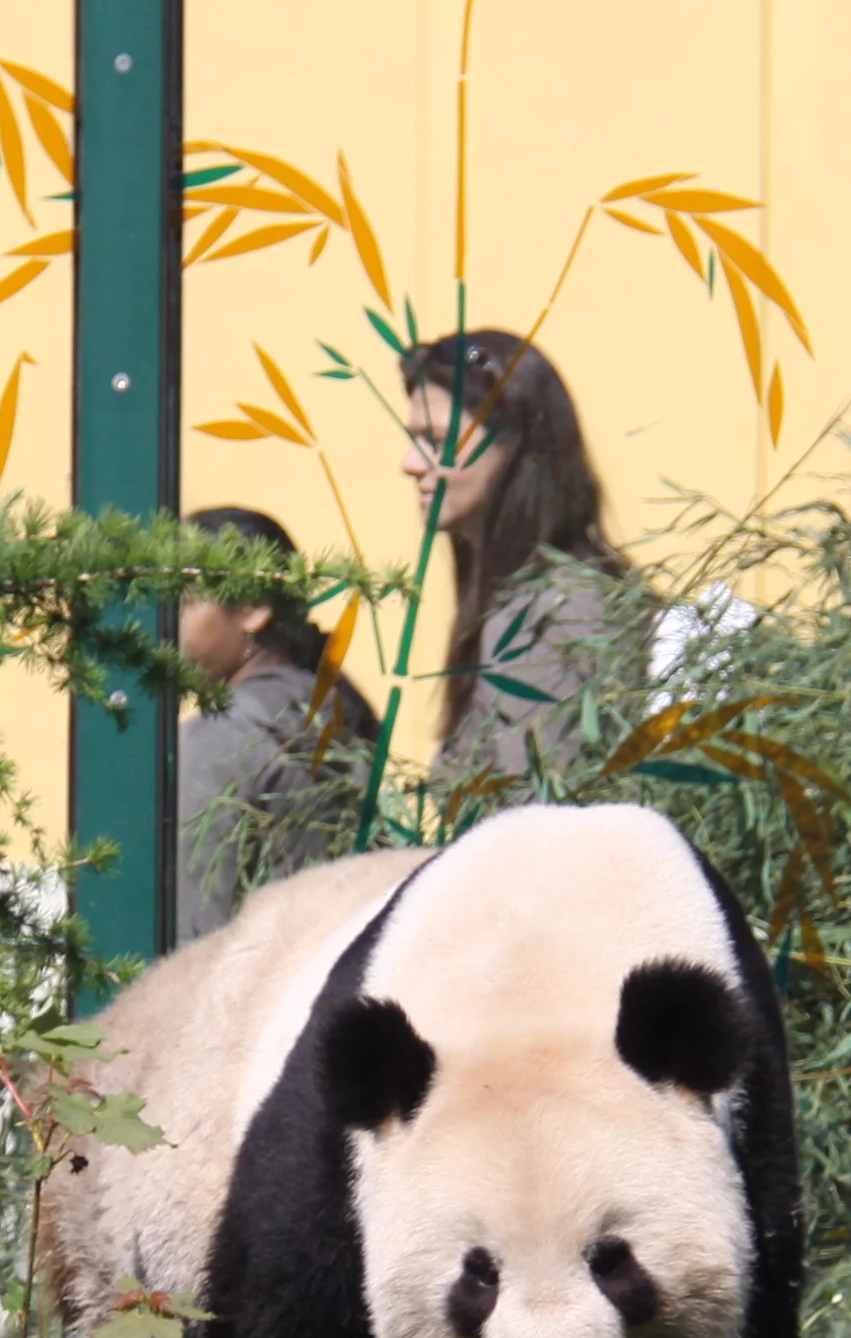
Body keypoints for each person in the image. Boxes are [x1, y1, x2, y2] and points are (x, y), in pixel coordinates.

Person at [399, 328, 636, 790]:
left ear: (514, 446)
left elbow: (539, 824)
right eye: (414, 438)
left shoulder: (551, 617)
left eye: (437, 439)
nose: (410, 462)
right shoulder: (524, 597)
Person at [173, 503, 368, 934]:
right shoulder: (326, 710)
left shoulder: (225, 735)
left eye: (183, 601)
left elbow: (196, 929)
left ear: (253, 609)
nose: (162, 622)